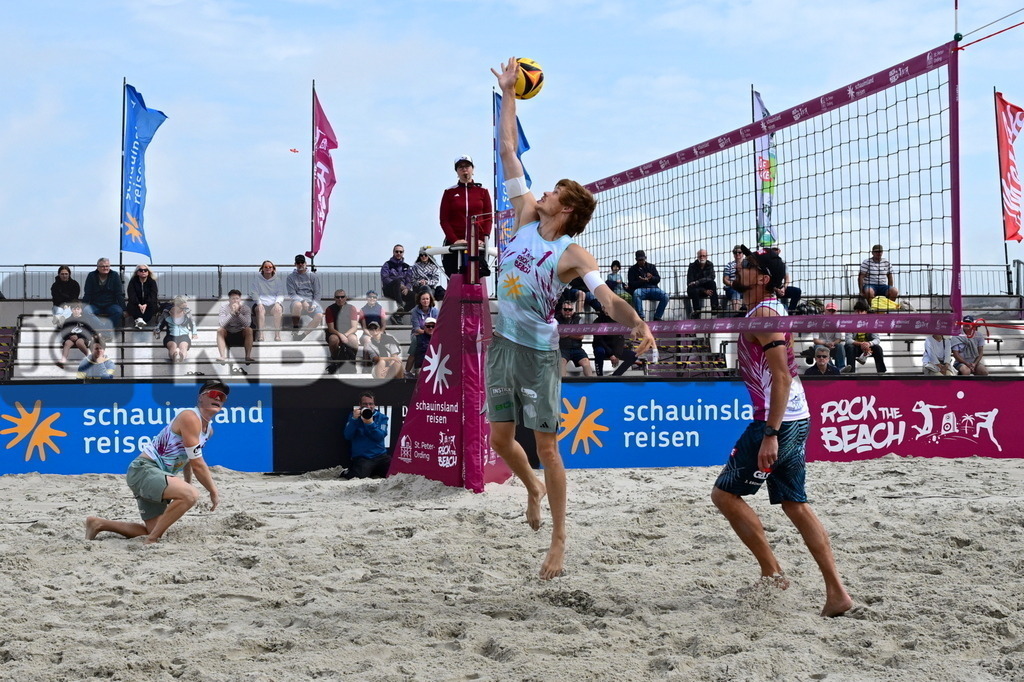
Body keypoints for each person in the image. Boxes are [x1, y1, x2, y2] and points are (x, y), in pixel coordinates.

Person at [490, 58, 655, 581]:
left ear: (564, 209)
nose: (541, 192)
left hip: (539, 354)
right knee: (500, 441)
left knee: (547, 446)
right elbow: (507, 148)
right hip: (502, 343)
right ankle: (532, 488)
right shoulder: (523, 216)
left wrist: (637, 322)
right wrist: (508, 92)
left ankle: (559, 540)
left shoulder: (571, 253)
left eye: (553, 192)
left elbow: (607, 299)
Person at [710, 245, 852, 617]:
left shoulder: (764, 316)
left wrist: (771, 433)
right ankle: (837, 594)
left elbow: (782, 376)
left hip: (779, 421)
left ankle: (772, 573)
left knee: (725, 495)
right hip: (793, 417)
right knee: (794, 503)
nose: (739, 268)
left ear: (763, 278)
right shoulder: (764, 309)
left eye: (747, 265)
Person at [85, 381, 228, 544]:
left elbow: (189, 457)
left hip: (157, 475)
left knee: (153, 529)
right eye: (213, 394)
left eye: (222, 397)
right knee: (190, 495)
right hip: (144, 470)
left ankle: (98, 524)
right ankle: (151, 541)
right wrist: (213, 491)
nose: (218, 398)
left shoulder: (209, 430)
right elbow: (198, 464)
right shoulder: (190, 416)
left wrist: (187, 482)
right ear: (200, 398)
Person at [439, 155, 493, 277]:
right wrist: (454, 240)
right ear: (457, 172)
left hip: (478, 244)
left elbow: (488, 218)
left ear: (473, 169)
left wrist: (484, 238)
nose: (464, 169)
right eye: (460, 167)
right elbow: (444, 220)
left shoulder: (483, 191)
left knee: (477, 276)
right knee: (454, 278)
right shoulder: (449, 192)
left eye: (467, 166)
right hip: (454, 244)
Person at [342, 391, 391, 479]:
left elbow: (380, 437)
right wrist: (354, 419)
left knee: (394, 472)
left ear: (374, 405)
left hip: (381, 456)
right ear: (360, 405)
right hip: (364, 458)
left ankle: (373, 472)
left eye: (370, 404)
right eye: (365, 404)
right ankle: (347, 472)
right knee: (359, 477)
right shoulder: (354, 417)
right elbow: (347, 436)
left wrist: (370, 424)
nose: (368, 407)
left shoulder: (382, 417)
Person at [840, 299, 887, 374]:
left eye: (861, 311)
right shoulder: (850, 322)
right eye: (857, 311)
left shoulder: (871, 323)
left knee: (878, 348)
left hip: (867, 347)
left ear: (866, 312)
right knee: (850, 347)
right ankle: (851, 373)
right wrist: (861, 344)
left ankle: (882, 373)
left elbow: (877, 339)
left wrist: (869, 343)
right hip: (855, 347)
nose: (859, 313)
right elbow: (848, 340)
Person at [81, 257, 126, 332]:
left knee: (118, 311)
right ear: (98, 267)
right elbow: (87, 293)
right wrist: (83, 307)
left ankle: (102, 330)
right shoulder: (91, 275)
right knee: (86, 311)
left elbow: (119, 294)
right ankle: (104, 329)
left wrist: (124, 309)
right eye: (103, 266)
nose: (105, 268)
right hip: (95, 304)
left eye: (107, 266)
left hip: (111, 304)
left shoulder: (114, 275)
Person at [286, 254, 324, 340]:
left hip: (311, 302)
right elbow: (292, 294)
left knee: (319, 315)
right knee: (297, 305)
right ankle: (295, 329)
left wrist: (314, 305)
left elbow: (317, 293)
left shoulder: (313, 276)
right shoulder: (290, 277)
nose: (300, 264)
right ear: (295, 264)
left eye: (302, 262)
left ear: (306, 263)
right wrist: (303, 301)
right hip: (297, 302)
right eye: (298, 262)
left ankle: (302, 336)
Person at [590, 311, 639, 377]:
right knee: (599, 351)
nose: (606, 310)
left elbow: (620, 339)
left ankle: (615, 376)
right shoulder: (597, 321)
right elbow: (599, 340)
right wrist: (611, 354)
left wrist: (617, 354)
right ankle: (600, 376)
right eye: (604, 308)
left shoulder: (618, 320)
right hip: (602, 348)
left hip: (614, 349)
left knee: (633, 355)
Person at [325, 289, 360, 374]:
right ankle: (335, 360)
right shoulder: (330, 309)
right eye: (337, 297)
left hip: (348, 332)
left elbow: (354, 327)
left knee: (353, 340)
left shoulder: (352, 308)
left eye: (342, 297)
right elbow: (331, 328)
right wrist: (341, 335)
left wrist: (345, 334)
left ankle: (352, 360)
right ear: (334, 298)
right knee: (333, 339)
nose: (340, 299)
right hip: (335, 332)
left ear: (346, 298)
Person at [249, 260, 286, 342]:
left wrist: (277, 303)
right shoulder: (257, 279)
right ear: (262, 268)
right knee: (260, 310)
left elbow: (280, 293)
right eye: (265, 267)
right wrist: (259, 303)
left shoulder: (277, 280)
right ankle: (261, 335)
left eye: (270, 267)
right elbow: (254, 293)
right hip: (261, 303)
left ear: (273, 269)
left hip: (273, 304)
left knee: (278, 310)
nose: (268, 268)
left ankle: (277, 335)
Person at [216, 289, 254, 364]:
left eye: (237, 298)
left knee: (249, 330)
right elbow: (222, 324)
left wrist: (238, 313)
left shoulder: (245, 308)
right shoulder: (223, 308)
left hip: (240, 333)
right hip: (228, 334)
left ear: (240, 299)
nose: (235, 300)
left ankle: (248, 356)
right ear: (229, 300)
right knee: (220, 330)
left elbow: (247, 324)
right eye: (233, 298)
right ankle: (222, 356)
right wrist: (232, 313)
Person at [556, 302, 594, 377]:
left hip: (577, 348)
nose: (568, 311)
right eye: (565, 309)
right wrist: (573, 334)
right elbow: (557, 335)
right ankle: (563, 382)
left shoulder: (578, 319)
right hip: (563, 348)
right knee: (561, 362)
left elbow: (581, 336)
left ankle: (591, 382)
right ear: (562, 310)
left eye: (570, 310)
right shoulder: (557, 319)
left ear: (573, 310)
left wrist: (567, 334)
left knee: (586, 362)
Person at [155, 295, 198, 363]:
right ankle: (174, 356)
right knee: (172, 346)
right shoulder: (166, 313)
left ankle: (182, 356)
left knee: (183, 346)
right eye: (182, 307)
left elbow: (192, 323)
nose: (185, 309)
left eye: (185, 307)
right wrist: (157, 330)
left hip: (184, 335)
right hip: (171, 336)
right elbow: (160, 323)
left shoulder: (187, 312)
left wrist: (194, 333)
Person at [406, 291, 439, 374]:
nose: (425, 301)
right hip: (418, 333)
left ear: (430, 300)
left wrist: (430, 331)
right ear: (419, 300)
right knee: (416, 341)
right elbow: (416, 328)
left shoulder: (435, 311)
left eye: (427, 299)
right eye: (423, 299)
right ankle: (408, 371)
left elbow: (437, 326)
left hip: (433, 334)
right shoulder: (414, 311)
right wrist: (427, 331)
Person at [381, 245, 416, 323]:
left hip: (401, 291)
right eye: (397, 251)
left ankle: (398, 315)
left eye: (400, 251)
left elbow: (409, 280)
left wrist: (407, 288)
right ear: (393, 252)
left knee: (416, 297)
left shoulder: (406, 266)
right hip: (389, 290)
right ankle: (400, 305)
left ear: (403, 253)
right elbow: (385, 278)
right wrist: (399, 285)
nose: (398, 253)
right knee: (397, 281)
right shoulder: (387, 264)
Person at [56, 301, 97, 368]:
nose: (76, 311)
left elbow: (89, 332)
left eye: (78, 309)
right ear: (71, 310)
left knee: (79, 342)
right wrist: (69, 336)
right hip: (71, 339)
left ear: (81, 310)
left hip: (82, 339)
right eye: (74, 309)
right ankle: (63, 361)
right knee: (67, 343)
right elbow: (63, 333)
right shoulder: (68, 320)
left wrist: (78, 336)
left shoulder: (85, 320)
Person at [807, 302, 845, 370]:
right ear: (825, 311)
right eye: (829, 310)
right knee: (820, 348)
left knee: (840, 346)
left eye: (833, 311)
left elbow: (838, 339)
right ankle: (832, 368)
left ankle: (841, 367)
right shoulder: (818, 322)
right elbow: (815, 340)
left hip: (831, 345)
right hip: (822, 345)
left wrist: (833, 343)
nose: (831, 313)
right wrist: (826, 343)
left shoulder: (837, 322)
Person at [686, 248, 719, 318]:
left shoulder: (710, 264)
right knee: (694, 290)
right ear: (697, 257)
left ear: (707, 257)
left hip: (705, 289)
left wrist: (698, 282)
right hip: (695, 290)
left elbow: (712, 277)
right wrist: (704, 290)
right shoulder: (692, 266)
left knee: (712, 283)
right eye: (700, 256)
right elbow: (690, 283)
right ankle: (697, 311)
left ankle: (714, 306)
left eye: (704, 256)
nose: (702, 257)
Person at [126, 264, 160, 328]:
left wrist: (146, 304)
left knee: (153, 306)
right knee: (131, 305)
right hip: (136, 304)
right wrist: (139, 304)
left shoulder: (152, 281)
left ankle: (140, 321)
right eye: (141, 270)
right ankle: (140, 320)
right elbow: (131, 295)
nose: (143, 271)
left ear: (148, 272)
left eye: (145, 270)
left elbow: (153, 295)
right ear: (137, 272)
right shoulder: (133, 281)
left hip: (148, 304)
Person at [721, 246, 744, 312]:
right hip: (732, 288)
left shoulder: (748, 265)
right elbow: (725, 280)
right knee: (736, 292)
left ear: (743, 253)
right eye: (735, 252)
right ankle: (736, 313)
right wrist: (734, 284)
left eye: (739, 252)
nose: (737, 254)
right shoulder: (729, 265)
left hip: (744, 288)